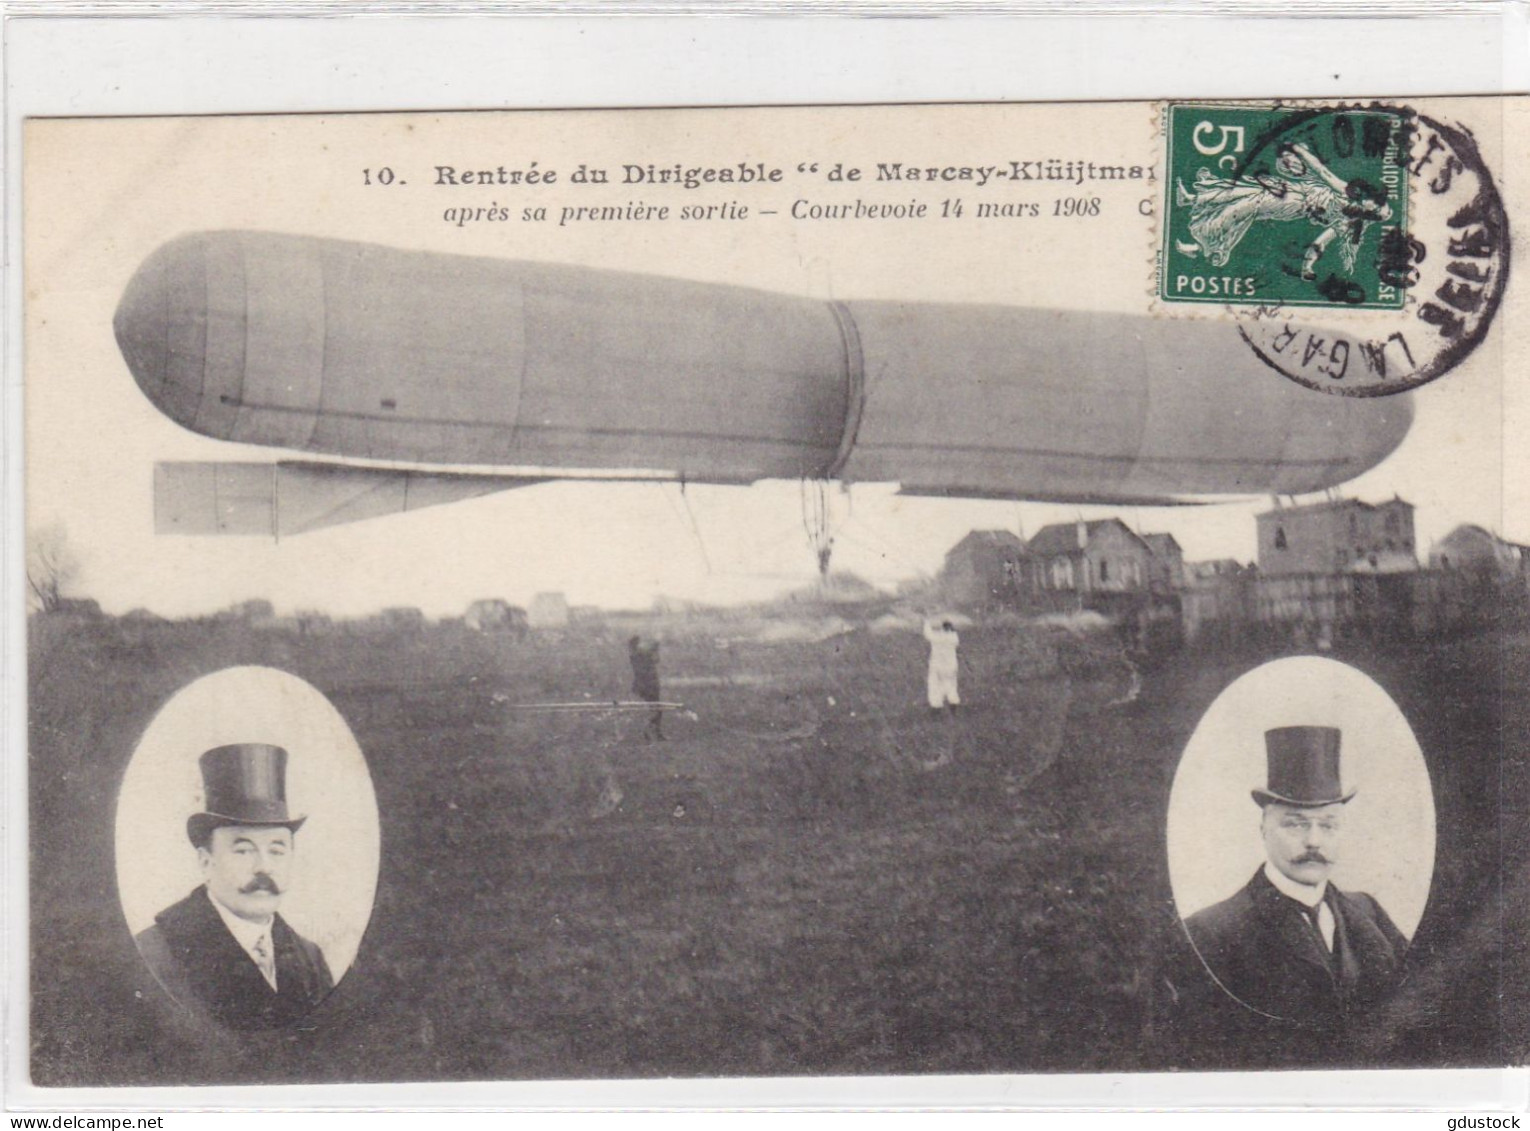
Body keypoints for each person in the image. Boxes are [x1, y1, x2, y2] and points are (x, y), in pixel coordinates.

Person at [1181, 726, 1408, 1025]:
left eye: (1328, 825)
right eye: (1295, 824)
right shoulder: (1209, 932)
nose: (1314, 841)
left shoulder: (1368, 912)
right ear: (1263, 829)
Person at [135, 743, 334, 1030]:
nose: (264, 867)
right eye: (243, 850)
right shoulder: (155, 953)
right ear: (206, 862)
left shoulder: (310, 959)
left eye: (277, 850)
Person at [628, 634, 664, 741]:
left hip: (644, 685)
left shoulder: (635, 655)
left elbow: (654, 658)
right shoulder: (639, 655)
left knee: (654, 709)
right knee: (655, 710)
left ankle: (654, 732)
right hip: (648, 685)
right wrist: (655, 648)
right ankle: (650, 732)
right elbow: (654, 658)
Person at [923, 618, 960, 718]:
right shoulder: (954, 638)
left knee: (935, 688)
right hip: (951, 667)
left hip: (937, 666)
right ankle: (954, 709)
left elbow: (928, 634)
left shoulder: (937, 637)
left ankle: (936, 710)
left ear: (942, 628)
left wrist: (927, 621)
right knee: (951, 687)